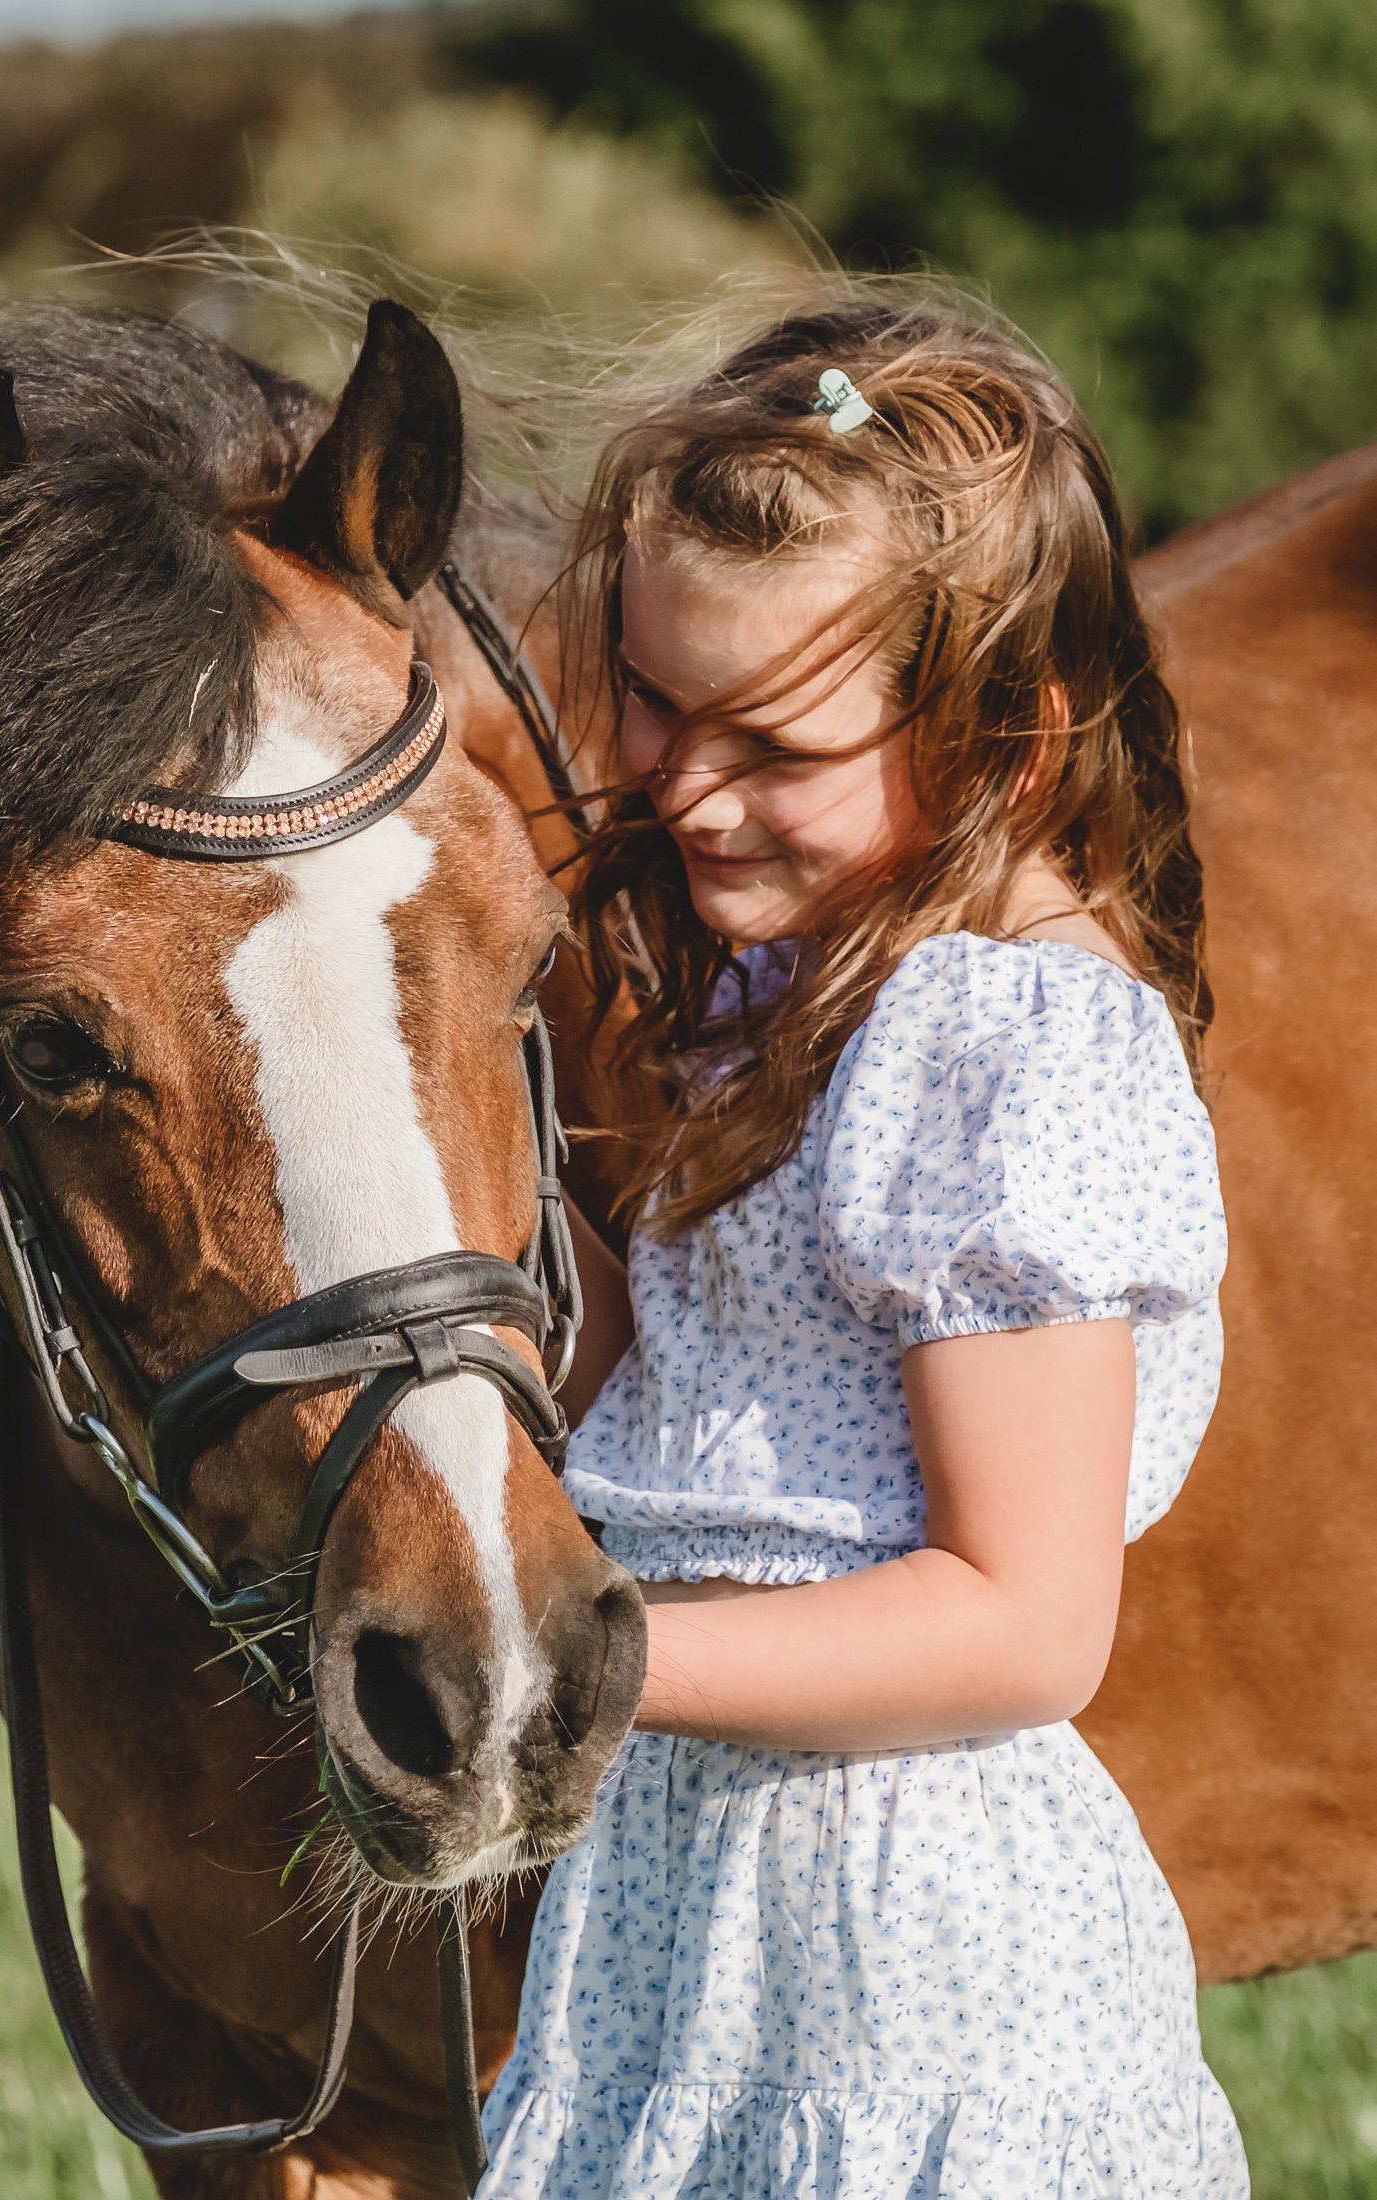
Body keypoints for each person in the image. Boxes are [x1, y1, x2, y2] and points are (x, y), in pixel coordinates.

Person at [478, 290, 1250, 2197]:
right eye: (655, 698)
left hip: (903, 1961)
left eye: (775, 738)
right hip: (708, 1907)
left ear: (1004, 724)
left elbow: (1024, 1621)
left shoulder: (1002, 1045)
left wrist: (586, 1657)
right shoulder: (803, 980)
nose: (681, 783)